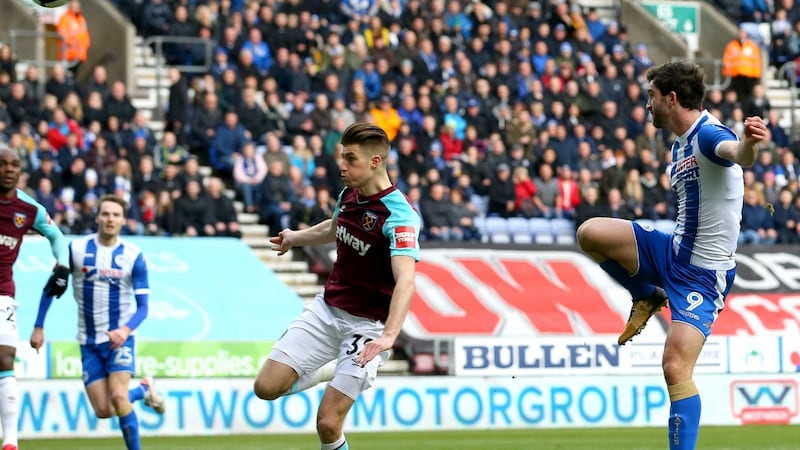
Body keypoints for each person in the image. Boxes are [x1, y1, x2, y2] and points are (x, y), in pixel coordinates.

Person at [576, 61, 767, 450]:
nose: (647, 104)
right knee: (589, 233)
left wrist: (748, 143)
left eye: (651, 96)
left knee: (675, 366)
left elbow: (736, 153)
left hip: (702, 275)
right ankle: (647, 293)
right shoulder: (678, 142)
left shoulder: (707, 134)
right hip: (671, 251)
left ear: (671, 97)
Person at [253, 123, 420, 450]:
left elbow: (406, 280)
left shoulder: (400, 217)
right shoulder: (349, 194)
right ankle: (329, 368)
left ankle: (344, 364)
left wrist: (389, 336)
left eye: (350, 158)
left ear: (375, 162)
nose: (341, 165)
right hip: (326, 311)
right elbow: (335, 226)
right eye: (341, 157)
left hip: (367, 327)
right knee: (266, 387)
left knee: (328, 423)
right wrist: (295, 237)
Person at [29, 195, 166, 450]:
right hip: (88, 340)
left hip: (120, 338)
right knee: (104, 410)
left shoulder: (134, 256)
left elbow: (144, 307)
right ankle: (144, 389)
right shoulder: (76, 249)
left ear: (123, 220)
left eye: (115, 215)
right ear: (97, 217)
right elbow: (52, 286)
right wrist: (39, 325)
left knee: (117, 395)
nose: (110, 219)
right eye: (105, 214)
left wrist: (125, 330)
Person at [0, 145, 71, 450]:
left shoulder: (28, 209)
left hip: (2, 293)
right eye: (3, 164)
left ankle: (11, 442)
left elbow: (57, 236)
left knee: (4, 357)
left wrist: (64, 266)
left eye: (15, 164)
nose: (10, 169)